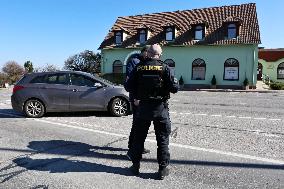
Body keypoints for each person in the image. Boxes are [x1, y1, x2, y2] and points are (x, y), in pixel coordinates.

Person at [126, 44, 179, 180]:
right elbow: (174, 88)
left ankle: (135, 166)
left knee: (139, 139)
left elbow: (128, 86)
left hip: (143, 108)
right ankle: (162, 169)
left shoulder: (139, 67)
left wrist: (137, 96)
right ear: (160, 55)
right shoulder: (165, 67)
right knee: (162, 140)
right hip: (160, 108)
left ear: (148, 53)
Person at [124, 46, 150, 154]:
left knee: (143, 124)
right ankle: (132, 147)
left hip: (144, 98)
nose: (150, 55)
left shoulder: (146, 62)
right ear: (144, 52)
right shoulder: (134, 62)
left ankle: (139, 146)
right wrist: (136, 97)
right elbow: (130, 81)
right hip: (137, 98)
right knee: (137, 123)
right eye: (149, 53)